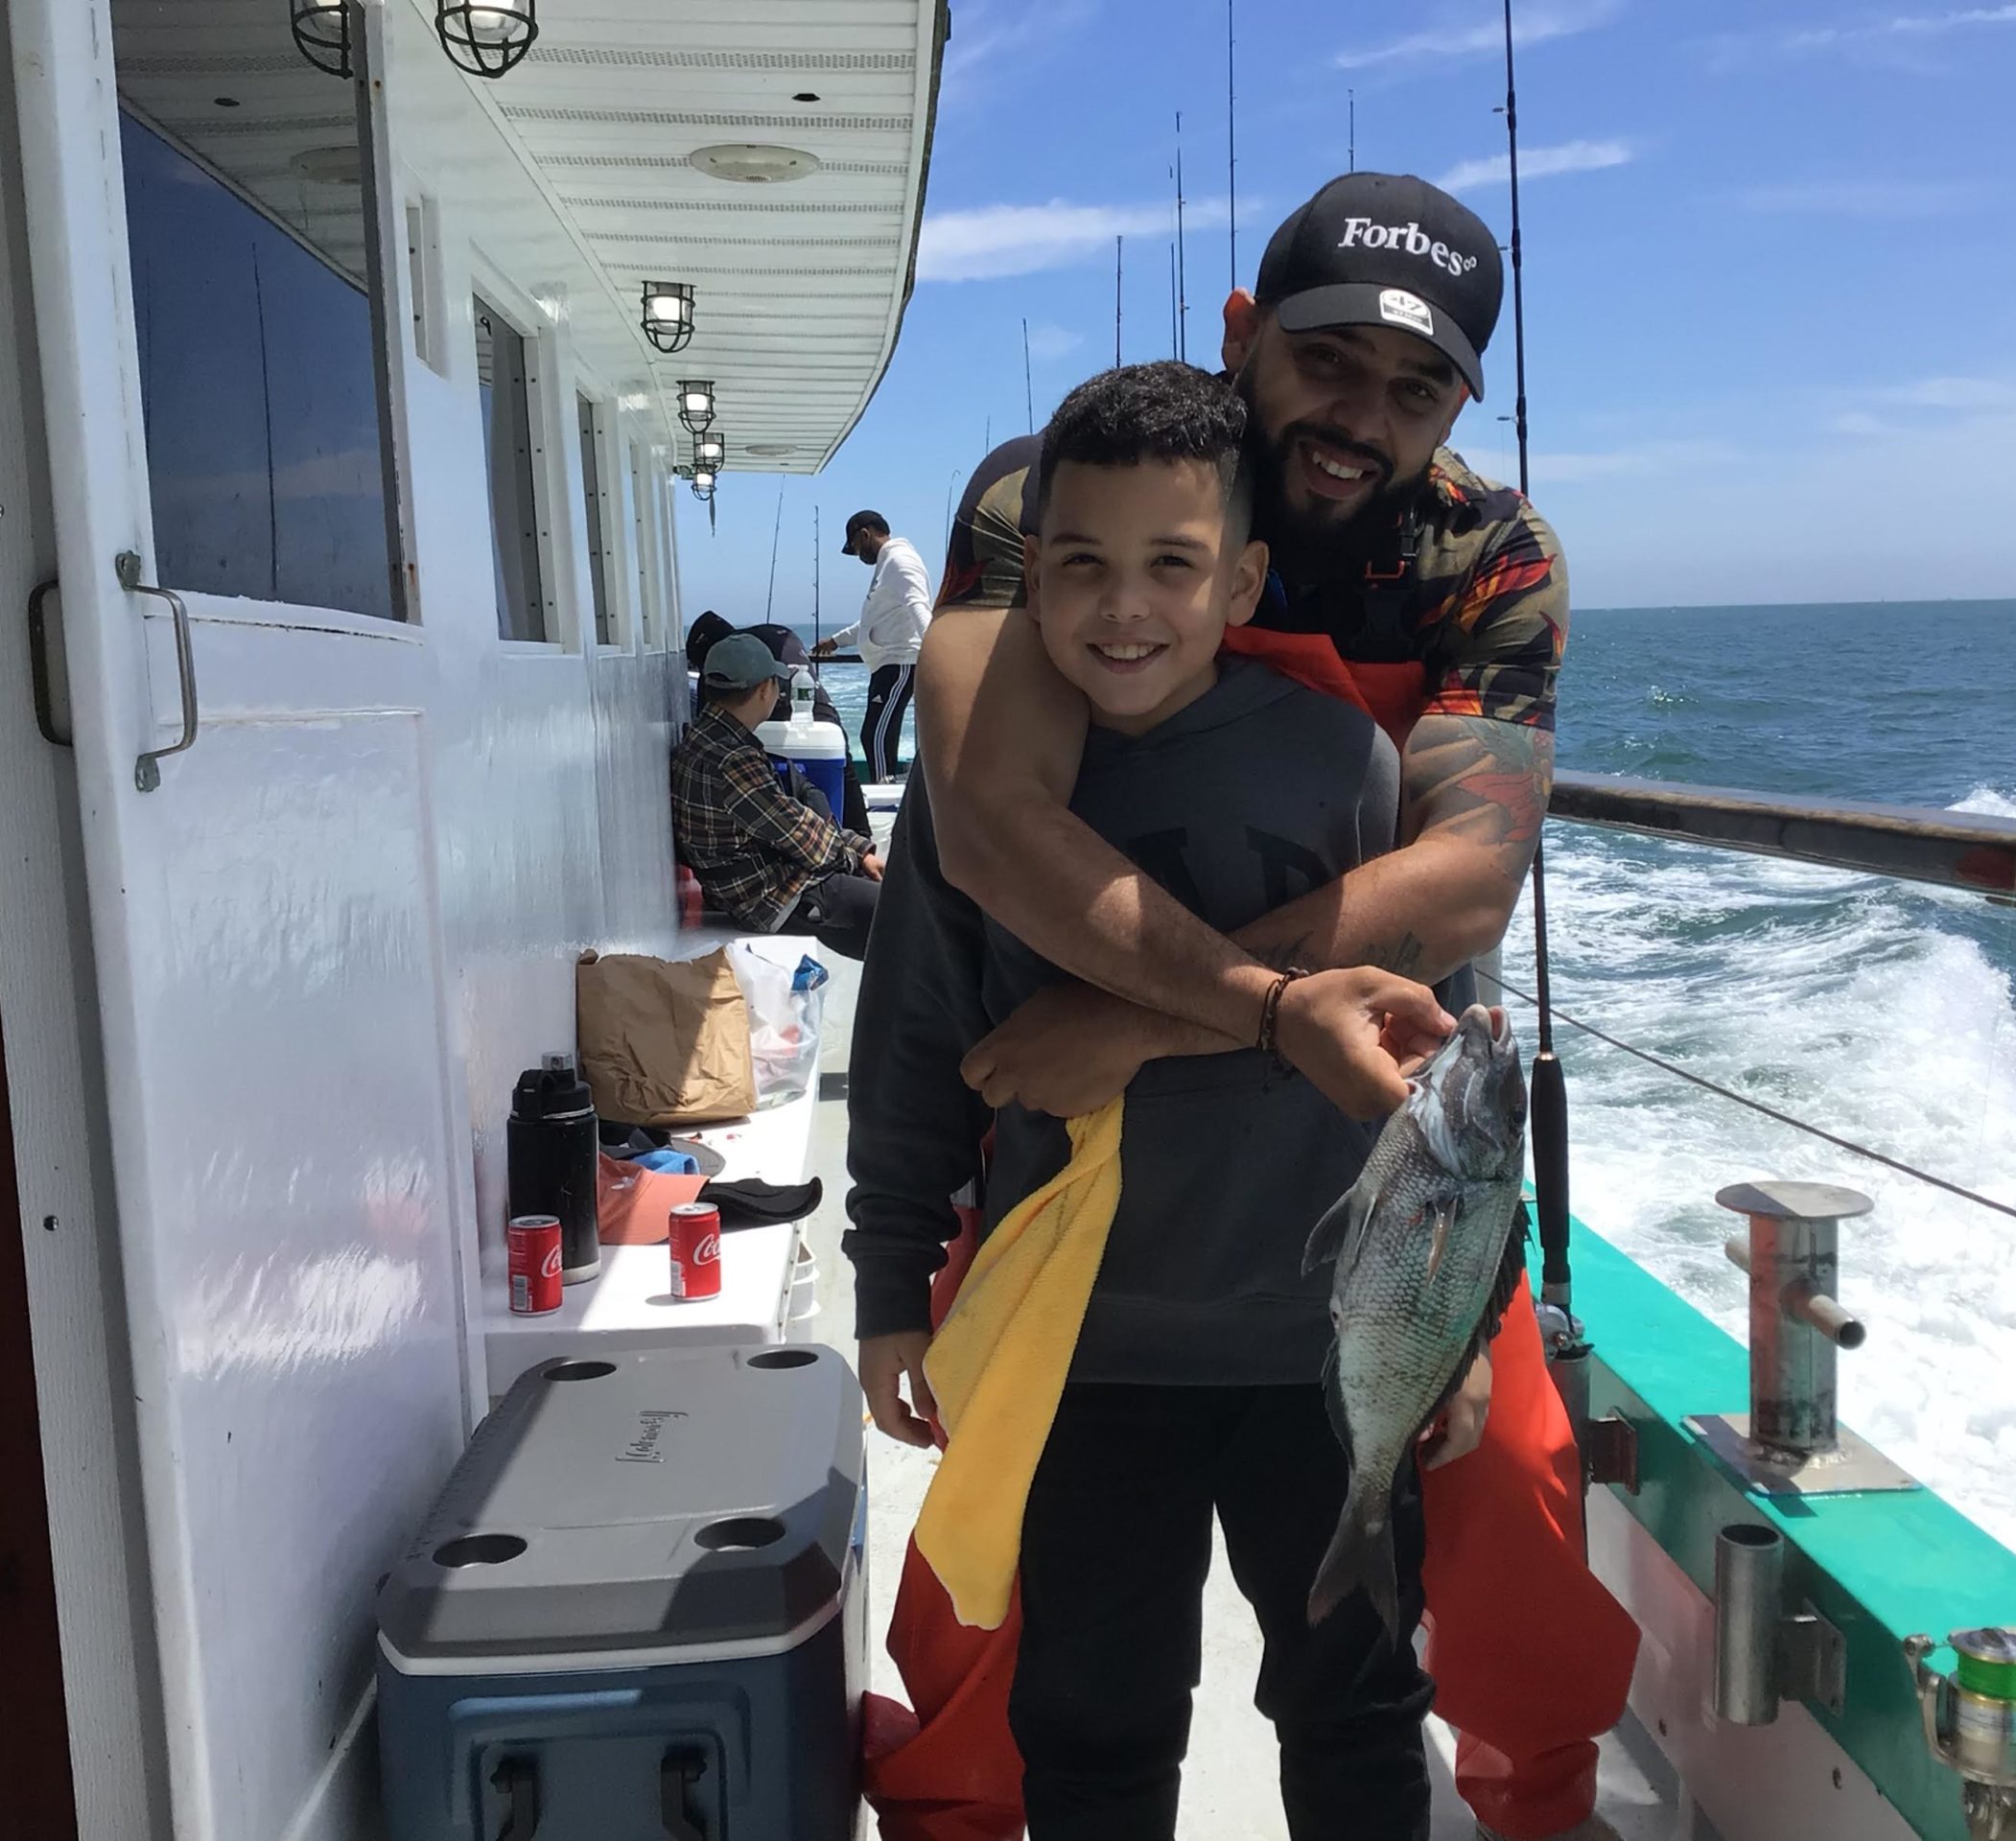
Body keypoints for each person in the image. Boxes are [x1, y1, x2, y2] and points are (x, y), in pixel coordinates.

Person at [905, 172, 1630, 1841]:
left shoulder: (1489, 553)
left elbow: (1462, 882)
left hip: (1369, 1126)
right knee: (984, 1552)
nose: (1359, 420)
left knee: (1513, 1487)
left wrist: (1164, 1015)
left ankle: (1538, 1802)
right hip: (1091, 1159)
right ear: (1245, 334)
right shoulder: (1053, 497)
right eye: (1325, 363)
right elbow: (994, 823)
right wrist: (1246, 1012)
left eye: (1418, 387)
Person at [846, 362, 1479, 1840]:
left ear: (1244, 577)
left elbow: (1448, 1084)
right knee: (1093, 1721)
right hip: (1090, 1351)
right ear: (1026, 577)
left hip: (1325, 1351)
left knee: (1358, 1703)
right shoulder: (982, 785)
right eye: (1080, 566)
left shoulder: (1345, 761)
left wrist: (1458, 1327)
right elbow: (918, 1030)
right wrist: (889, 1285)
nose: (1122, 608)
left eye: (1172, 566)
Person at [670, 633, 882, 959]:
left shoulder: (700, 738)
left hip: (741, 888)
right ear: (765, 689)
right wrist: (859, 855)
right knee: (903, 916)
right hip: (773, 898)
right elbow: (806, 841)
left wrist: (856, 848)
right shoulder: (732, 759)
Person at [686, 609, 870, 835]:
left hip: (795, 700)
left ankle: (852, 834)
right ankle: (860, 832)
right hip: (811, 696)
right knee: (838, 750)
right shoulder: (760, 640)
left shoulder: (733, 668)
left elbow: (718, 720)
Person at [818, 510, 930, 781]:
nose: (857, 555)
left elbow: (919, 607)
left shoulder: (899, 561)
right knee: (877, 734)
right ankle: (887, 788)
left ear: (864, 535)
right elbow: (875, 620)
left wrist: (936, 654)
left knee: (875, 736)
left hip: (900, 663)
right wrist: (836, 641)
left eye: (855, 547)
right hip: (887, 666)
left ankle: (884, 792)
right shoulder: (887, 563)